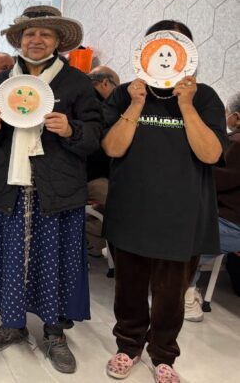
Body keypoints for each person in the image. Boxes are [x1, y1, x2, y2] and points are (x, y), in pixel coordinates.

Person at [0, 5, 101, 373]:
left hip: (57, 191)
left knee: (55, 260)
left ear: (58, 41)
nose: (36, 40)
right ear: (19, 40)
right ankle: (13, 323)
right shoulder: (0, 84)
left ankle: (55, 332)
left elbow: (95, 136)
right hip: (9, 188)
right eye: (29, 34)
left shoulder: (76, 83)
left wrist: (71, 130)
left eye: (45, 34)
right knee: (10, 258)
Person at [101, 20, 226, 383]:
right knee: (129, 288)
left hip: (182, 216)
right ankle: (128, 347)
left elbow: (210, 153)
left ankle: (163, 355)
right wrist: (136, 104)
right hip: (131, 210)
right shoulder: (125, 93)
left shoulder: (204, 98)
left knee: (172, 296)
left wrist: (186, 106)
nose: (166, 57)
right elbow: (112, 147)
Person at [184, 90, 240, 320]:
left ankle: (185, 296)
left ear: (235, 117)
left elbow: (216, 181)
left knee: (189, 241)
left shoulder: (235, 143)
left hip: (232, 223)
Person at [85, 65, 120, 256]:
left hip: (78, 175)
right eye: (118, 87)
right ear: (105, 83)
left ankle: (96, 243)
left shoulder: (80, 99)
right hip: (87, 178)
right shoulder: (101, 109)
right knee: (126, 202)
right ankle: (118, 255)